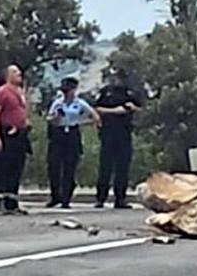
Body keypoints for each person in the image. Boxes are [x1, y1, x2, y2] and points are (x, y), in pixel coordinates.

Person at [46, 76, 99, 209]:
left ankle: (66, 198)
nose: (66, 92)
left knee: (69, 167)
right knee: (54, 166)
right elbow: (49, 118)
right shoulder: (57, 103)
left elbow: (95, 117)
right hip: (58, 133)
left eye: (68, 90)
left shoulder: (80, 103)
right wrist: (56, 117)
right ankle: (55, 196)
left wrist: (79, 123)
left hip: (72, 134)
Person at [93, 67, 142, 209]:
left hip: (124, 133)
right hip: (108, 133)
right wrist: (115, 111)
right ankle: (101, 197)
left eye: (121, 77)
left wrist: (132, 108)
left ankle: (120, 198)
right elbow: (96, 108)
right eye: (116, 77)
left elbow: (141, 109)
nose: (118, 80)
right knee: (105, 166)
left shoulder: (130, 92)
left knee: (122, 167)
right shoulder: (106, 92)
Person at [0, 64, 30, 214]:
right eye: (15, 72)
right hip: (7, 134)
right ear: (8, 75)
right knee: (1, 168)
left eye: (19, 71)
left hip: (20, 134)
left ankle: (11, 202)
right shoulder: (2, 92)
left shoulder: (21, 92)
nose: (19, 74)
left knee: (15, 168)